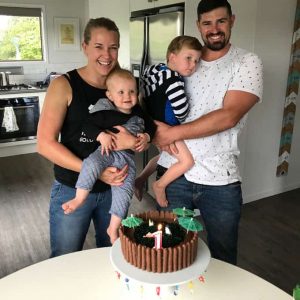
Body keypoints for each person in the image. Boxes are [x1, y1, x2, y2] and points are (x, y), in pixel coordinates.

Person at [153, 0, 263, 265]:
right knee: (169, 253)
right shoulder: (186, 58)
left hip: (219, 178)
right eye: (207, 23)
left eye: (221, 21)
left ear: (232, 21)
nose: (214, 29)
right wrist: (155, 130)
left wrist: (172, 133)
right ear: (198, 25)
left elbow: (229, 115)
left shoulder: (247, 62)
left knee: (223, 258)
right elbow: (152, 98)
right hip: (173, 174)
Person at [37, 18, 141, 257]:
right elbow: (44, 144)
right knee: (65, 259)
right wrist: (93, 170)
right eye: (98, 46)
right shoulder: (64, 85)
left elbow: (138, 126)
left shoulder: (125, 86)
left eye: (113, 47)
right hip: (72, 188)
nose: (107, 54)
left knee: (112, 257)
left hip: (114, 190)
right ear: (84, 47)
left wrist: (138, 140)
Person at [62, 69, 156, 244]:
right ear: (110, 96)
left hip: (126, 160)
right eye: (121, 92)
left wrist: (147, 137)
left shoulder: (137, 111)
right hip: (105, 153)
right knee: (91, 163)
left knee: (125, 192)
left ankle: (113, 228)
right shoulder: (105, 111)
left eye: (132, 91)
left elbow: (151, 126)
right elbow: (87, 126)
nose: (127, 96)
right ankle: (79, 197)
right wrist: (101, 135)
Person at [134, 35, 202, 207]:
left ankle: (141, 179)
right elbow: (182, 112)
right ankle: (159, 185)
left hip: (152, 126)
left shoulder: (154, 71)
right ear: (172, 56)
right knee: (186, 161)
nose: (193, 65)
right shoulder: (174, 81)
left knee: (163, 156)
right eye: (188, 58)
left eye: (196, 60)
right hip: (169, 129)